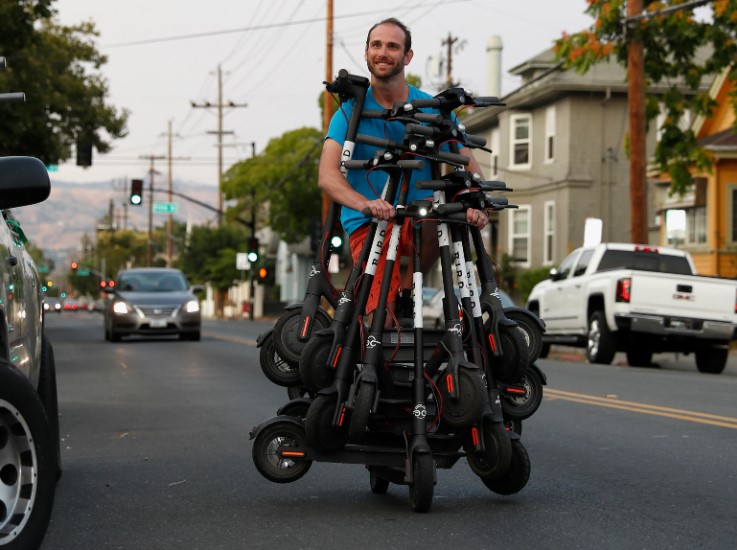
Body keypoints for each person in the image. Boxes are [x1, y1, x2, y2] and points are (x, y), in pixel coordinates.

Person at [318, 17, 488, 321]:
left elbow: (470, 167)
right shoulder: (349, 110)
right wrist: (366, 204)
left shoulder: (432, 107)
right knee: (383, 318)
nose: (383, 52)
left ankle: (408, 292)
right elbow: (327, 176)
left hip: (416, 219)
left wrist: (474, 201)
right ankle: (386, 314)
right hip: (369, 223)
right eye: (377, 45)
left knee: (444, 216)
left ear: (407, 56)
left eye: (393, 46)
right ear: (367, 52)